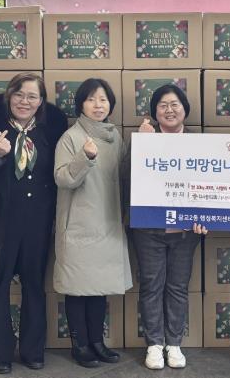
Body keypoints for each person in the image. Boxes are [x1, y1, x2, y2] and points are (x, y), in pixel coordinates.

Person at [0, 72, 68, 374]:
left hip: (37, 222)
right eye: (19, 95)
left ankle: (33, 351)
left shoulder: (50, 132)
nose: (25, 101)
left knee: (34, 285)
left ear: (41, 101)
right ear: (9, 97)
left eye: (32, 96)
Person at [123, 84, 208, 370]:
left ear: (184, 109)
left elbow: (211, 187)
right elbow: (125, 178)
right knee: (151, 285)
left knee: (178, 287)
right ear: (154, 112)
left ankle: (174, 343)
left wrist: (208, 219)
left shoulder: (200, 142)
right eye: (163, 105)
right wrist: (141, 145)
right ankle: (154, 344)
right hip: (149, 229)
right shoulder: (143, 138)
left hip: (186, 231)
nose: (169, 110)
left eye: (174, 104)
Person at [53, 78, 132, 368]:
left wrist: (146, 144)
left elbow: (126, 174)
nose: (98, 105)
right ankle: (80, 345)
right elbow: (62, 178)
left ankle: (97, 342)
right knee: (78, 288)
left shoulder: (114, 136)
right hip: (80, 224)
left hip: (108, 222)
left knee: (98, 287)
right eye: (91, 99)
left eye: (103, 99)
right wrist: (84, 157)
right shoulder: (71, 137)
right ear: (81, 105)